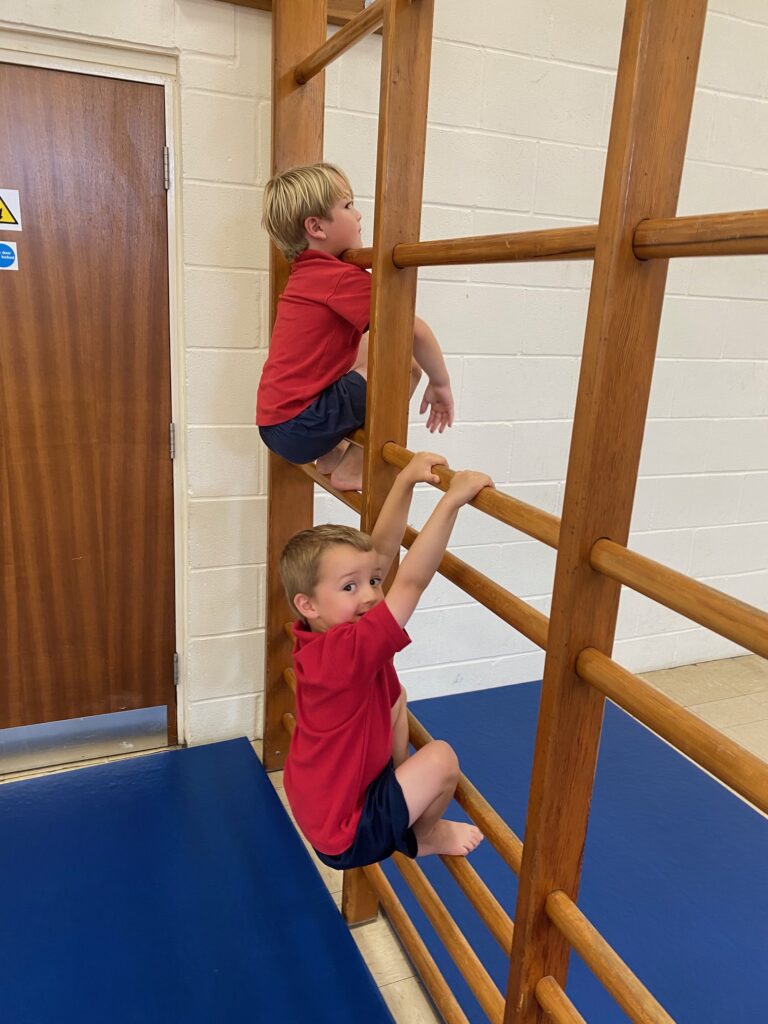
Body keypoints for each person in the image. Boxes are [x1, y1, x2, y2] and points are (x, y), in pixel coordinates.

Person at [279, 451, 492, 868]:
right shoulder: (346, 654)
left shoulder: (322, 636)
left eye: (372, 583)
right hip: (345, 835)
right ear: (308, 604)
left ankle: (397, 785)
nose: (371, 595)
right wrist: (451, 502)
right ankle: (424, 834)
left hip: (323, 802)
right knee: (442, 758)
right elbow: (411, 580)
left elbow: (381, 551)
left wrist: (406, 482)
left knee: (395, 694)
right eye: (350, 587)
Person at [256, 162, 454, 492]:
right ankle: (354, 466)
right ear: (316, 227)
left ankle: (332, 454)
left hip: (275, 425)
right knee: (407, 363)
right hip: (300, 426)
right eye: (348, 206)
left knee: (368, 346)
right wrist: (441, 383)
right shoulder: (338, 278)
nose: (359, 215)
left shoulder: (306, 274)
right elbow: (413, 330)